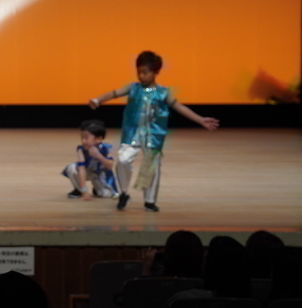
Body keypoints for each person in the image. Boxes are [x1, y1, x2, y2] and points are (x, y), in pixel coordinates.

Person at [88, 51, 219, 212]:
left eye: (145, 72)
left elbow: (179, 107)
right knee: (122, 160)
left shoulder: (163, 92)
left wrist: (200, 119)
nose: (141, 76)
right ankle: (124, 193)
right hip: (132, 134)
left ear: (156, 72)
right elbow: (113, 93)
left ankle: (149, 201)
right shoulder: (133, 88)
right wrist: (98, 100)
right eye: (139, 72)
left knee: (151, 167)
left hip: (153, 136)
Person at [62, 119, 117, 200]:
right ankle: (79, 189)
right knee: (72, 168)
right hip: (88, 171)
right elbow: (81, 168)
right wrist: (84, 191)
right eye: (82, 138)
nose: (83, 141)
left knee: (106, 194)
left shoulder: (107, 148)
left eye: (86, 138)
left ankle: (98, 188)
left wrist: (99, 156)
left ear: (99, 139)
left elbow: (109, 166)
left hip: (100, 174)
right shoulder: (81, 149)